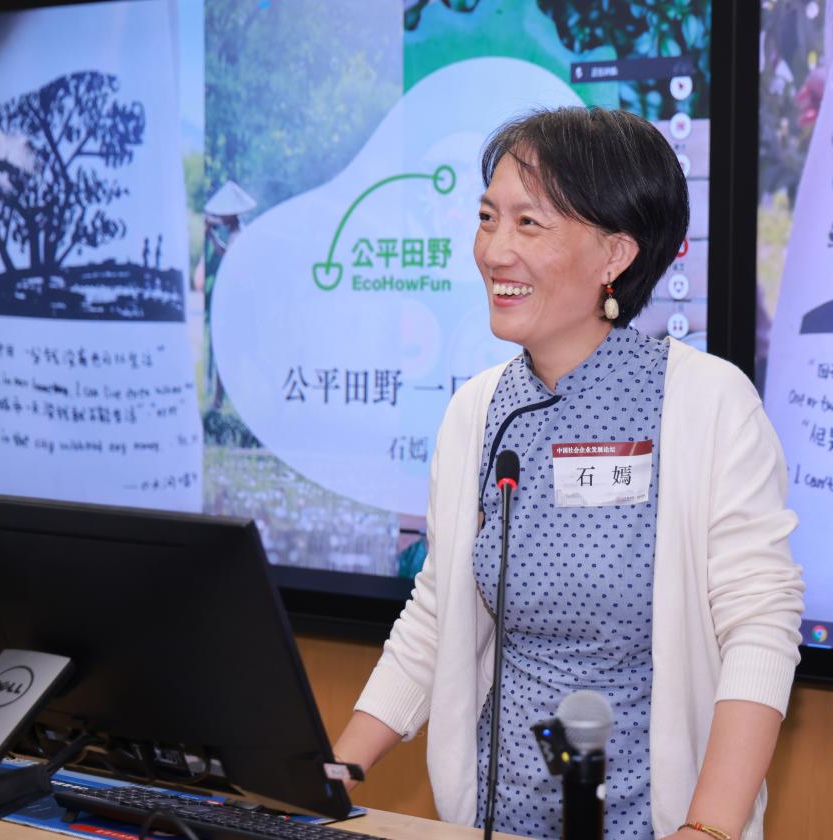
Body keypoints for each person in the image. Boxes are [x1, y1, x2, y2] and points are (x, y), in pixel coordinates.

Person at [334, 107, 804, 840]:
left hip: (657, 824)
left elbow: (760, 626)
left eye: (529, 224)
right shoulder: (476, 411)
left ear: (615, 253)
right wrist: (332, 775)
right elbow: (435, 618)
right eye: (488, 218)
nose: (495, 250)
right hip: (493, 821)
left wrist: (709, 828)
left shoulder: (708, 403)